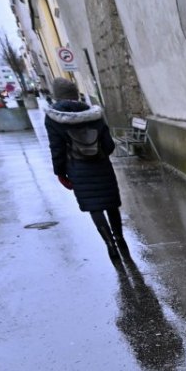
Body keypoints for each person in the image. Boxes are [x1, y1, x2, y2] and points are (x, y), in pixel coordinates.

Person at [44, 77, 128, 262]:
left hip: (77, 167)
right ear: (76, 94)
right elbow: (109, 145)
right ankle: (120, 238)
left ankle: (110, 245)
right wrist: (99, 154)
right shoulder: (94, 113)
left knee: (94, 207)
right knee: (111, 204)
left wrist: (60, 172)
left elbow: (56, 148)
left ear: (57, 96)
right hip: (101, 165)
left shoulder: (53, 118)